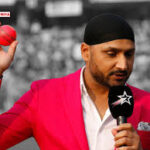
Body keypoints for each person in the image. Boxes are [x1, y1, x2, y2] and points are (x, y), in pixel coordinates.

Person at [0, 14, 150, 150]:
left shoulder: (147, 104)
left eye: (129, 54)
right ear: (85, 52)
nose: (123, 65)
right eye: (111, 54)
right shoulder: (44, 96)